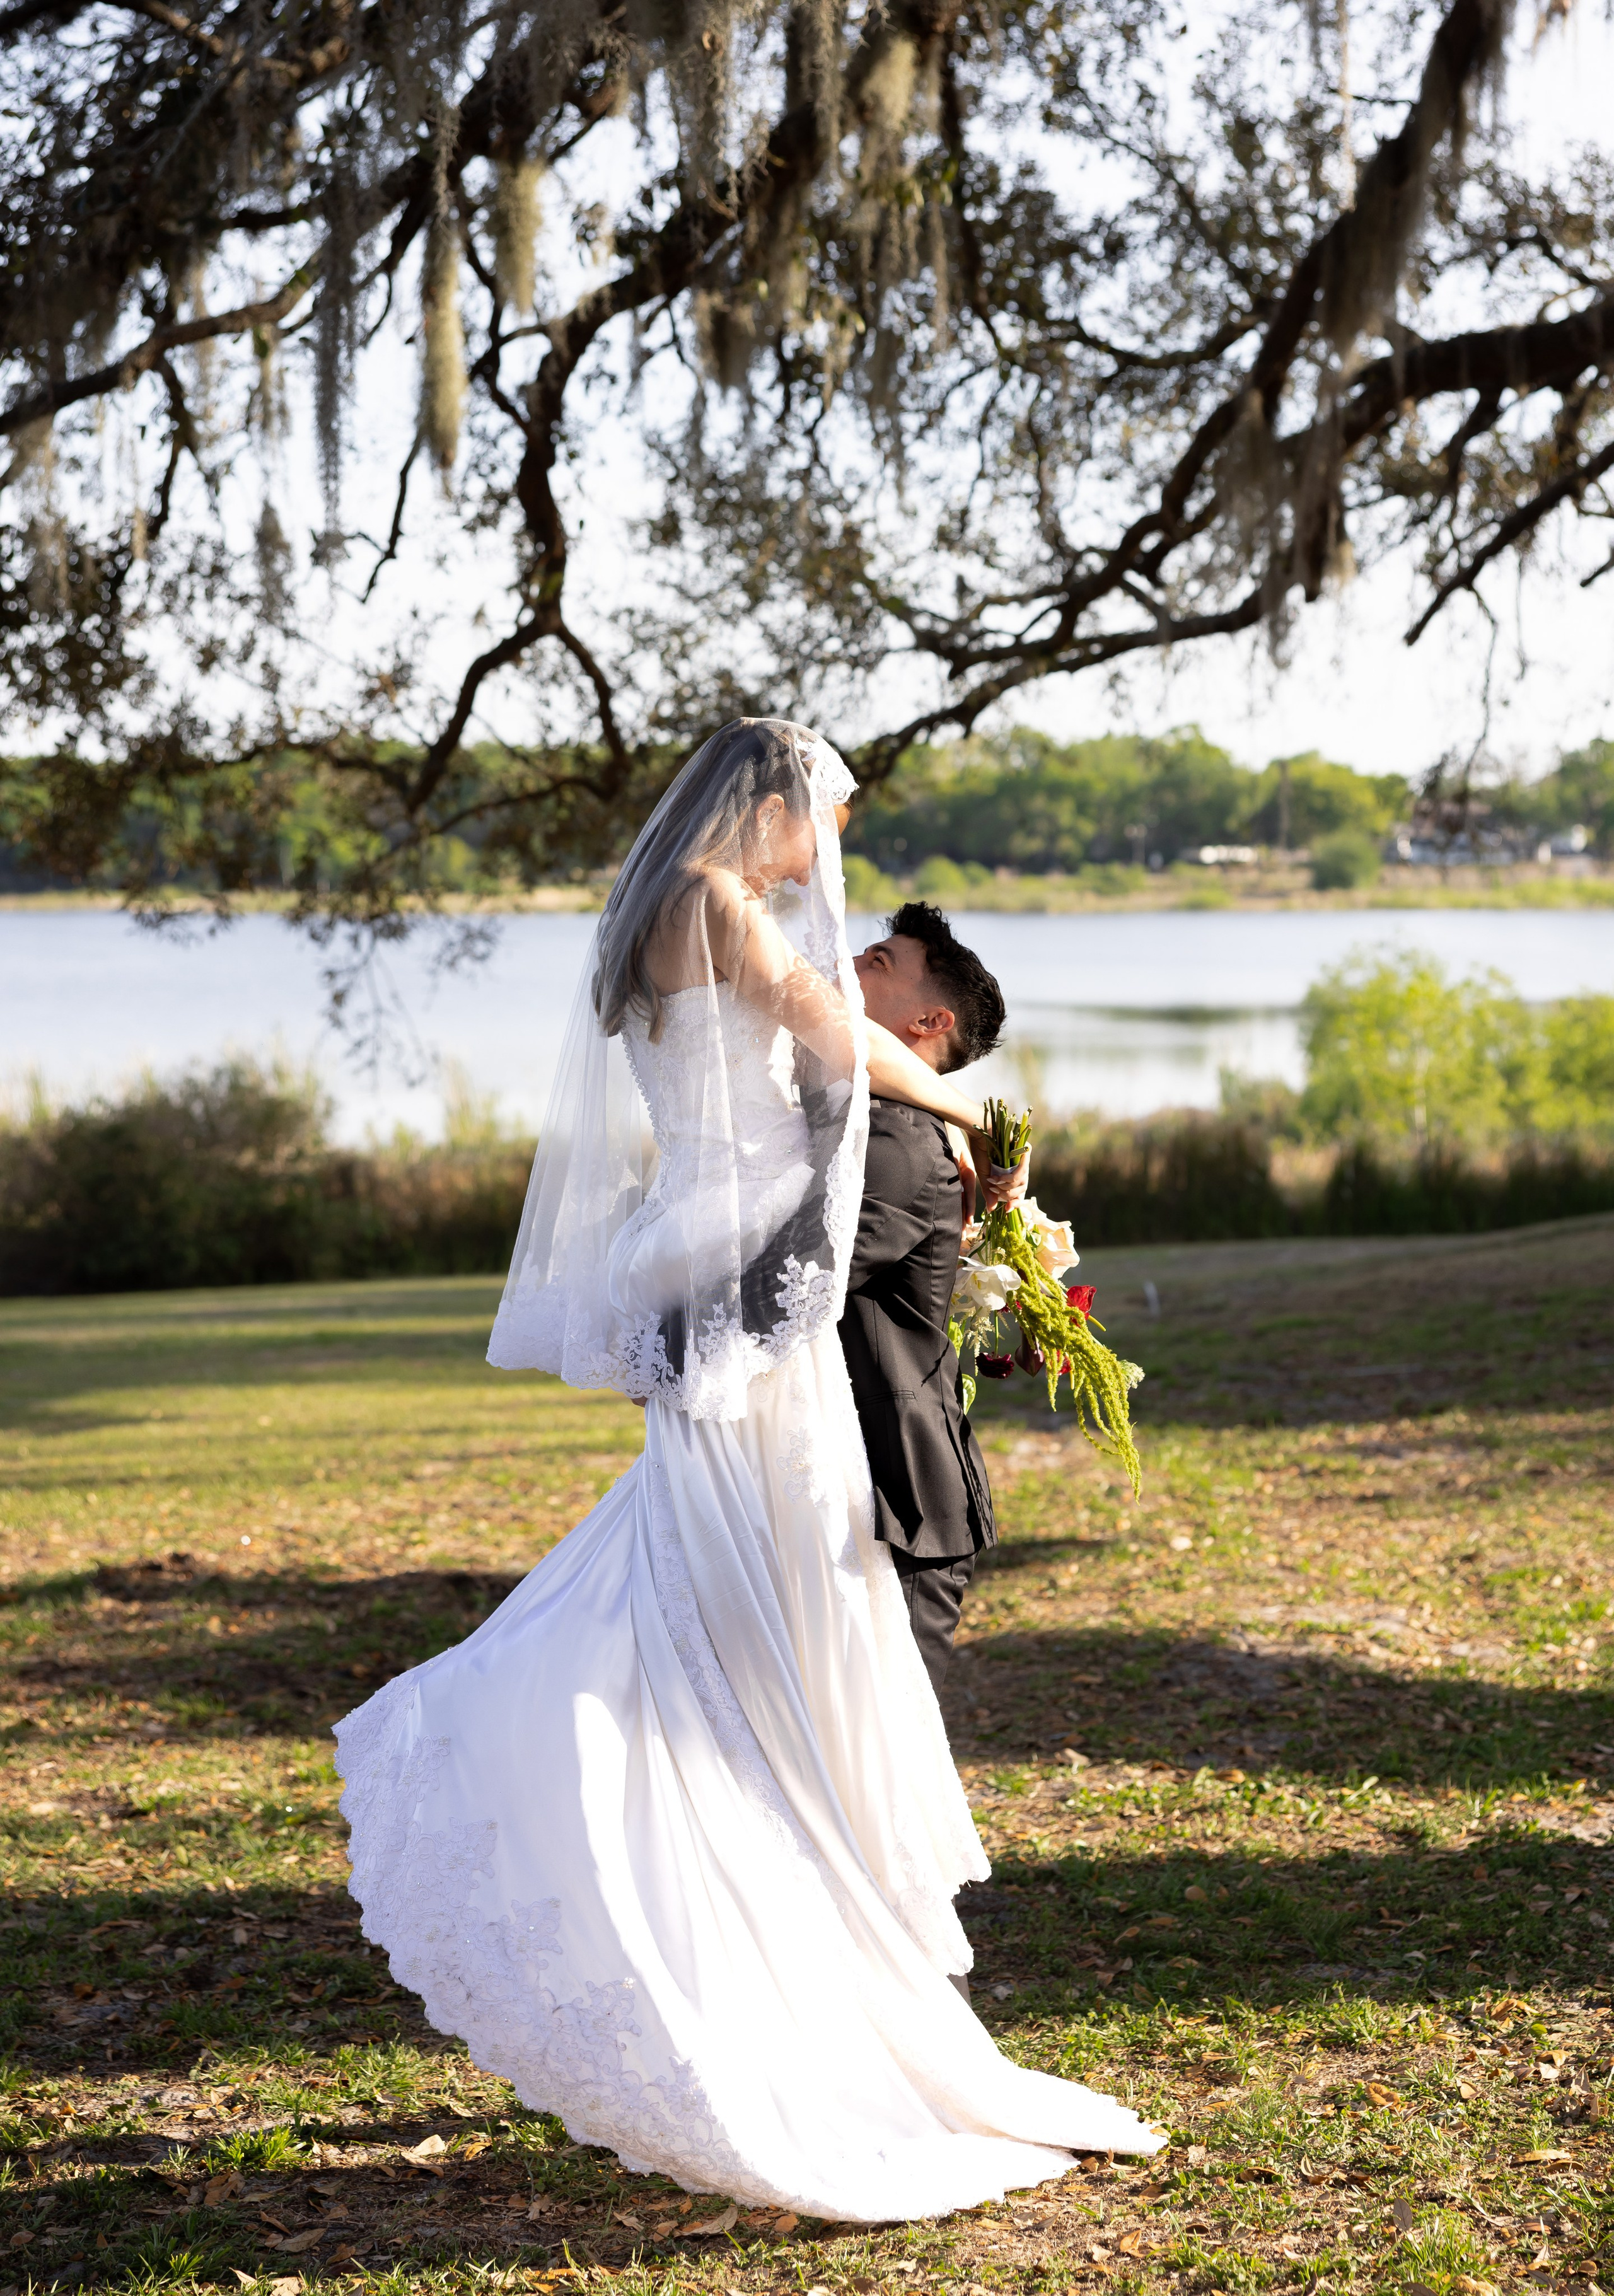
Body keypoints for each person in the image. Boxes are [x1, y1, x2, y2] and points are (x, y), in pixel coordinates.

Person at [334, 719, 1161, 2224]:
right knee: (751, 1616)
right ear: (767, 802)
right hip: (746, 1293)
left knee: (721, 1598)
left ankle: (763, 1927)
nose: (815, 862)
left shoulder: (667, 905)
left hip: (715, 1263)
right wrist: (980, 1118)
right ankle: (734, 1903)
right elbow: (831, 1035)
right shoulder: (714, 899)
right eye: (817, 827)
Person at [841, 903, 1006, 1698]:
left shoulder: (898, 1140)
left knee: (889, 1749)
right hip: (850, 1491)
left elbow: (802, 1288)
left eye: (877, 961)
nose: (848, 963)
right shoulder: (872, 1120)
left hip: (900, 1507)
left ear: (931, 1021)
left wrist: (668, 1350)